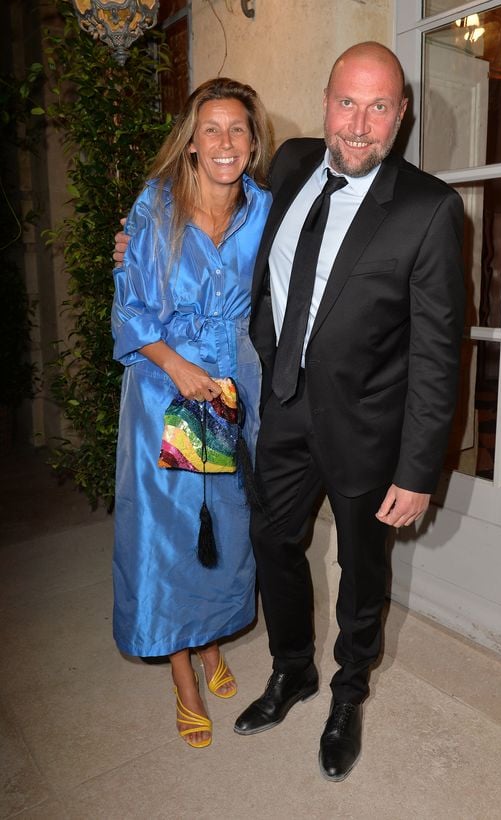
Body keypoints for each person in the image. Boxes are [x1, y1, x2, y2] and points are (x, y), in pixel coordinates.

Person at [114, 42, 464, 781]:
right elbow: (213, 233)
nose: (360, 125)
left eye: (378, 108)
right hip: (275, 409)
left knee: (364, 572)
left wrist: (418, 467)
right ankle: (293, 668)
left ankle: (347, 693)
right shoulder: (296, 165)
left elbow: (439, 353)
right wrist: (133, 243)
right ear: (325, 102)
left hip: (368, 432)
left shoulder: (430, 209)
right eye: (347, 103)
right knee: (272, 545)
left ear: (400, 115)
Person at [111, 77, 272, 749]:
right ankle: (184, 675)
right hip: (164, 386)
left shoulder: (267, 209)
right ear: (191, 141)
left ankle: (210, 643)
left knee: (227, 521)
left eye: (237, 128)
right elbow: (131, 310)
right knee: (170, 531)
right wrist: (179, 369)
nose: (225, 142)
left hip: (235, 386)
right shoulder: (156, 208)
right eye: (211, 129)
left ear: (254, 140)